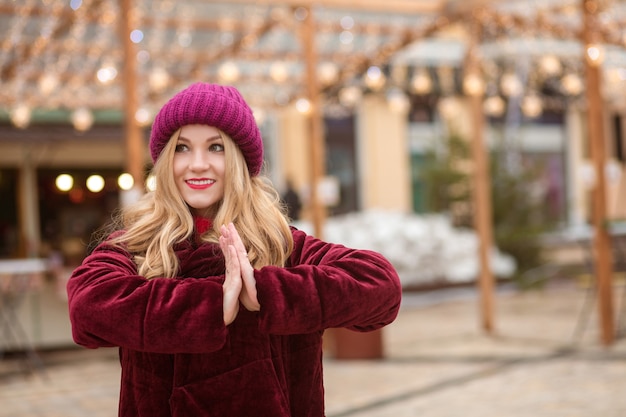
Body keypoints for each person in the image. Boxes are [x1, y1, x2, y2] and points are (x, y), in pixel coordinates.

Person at [66, 82, 402, 417]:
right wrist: (210, 305)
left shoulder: (281, 244)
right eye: (182, 148)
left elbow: (380, 286)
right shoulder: (137, 245)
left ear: (240, 159)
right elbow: (86, 305)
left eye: (216, 147)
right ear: (166, 161)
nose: (197, 164)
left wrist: (268, 294)